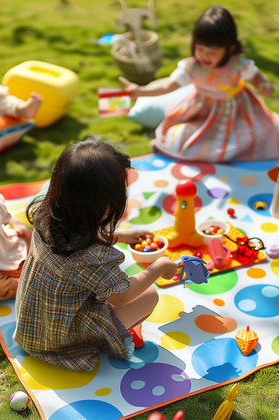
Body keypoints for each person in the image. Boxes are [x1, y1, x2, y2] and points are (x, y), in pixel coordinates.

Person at [13, 135, 178, 372]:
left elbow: (81, 233)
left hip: (32, 324)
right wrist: (160, 267)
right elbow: (120, 297)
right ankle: (102, 340)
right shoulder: (92, 259)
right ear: (103, 203)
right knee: (149, 295)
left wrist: (117, 236)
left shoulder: (46, 213)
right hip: (59, 341)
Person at [119, 5, 279, 162]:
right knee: (179, 138)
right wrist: (140, 90)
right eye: (200, 49)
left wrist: (264, 84)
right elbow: (168, 85)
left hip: (237, 111)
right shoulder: (193, 67)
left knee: (259, 136)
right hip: (200, 112)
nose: (205, 56)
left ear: (229, 48)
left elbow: (257, 77)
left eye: (213, 52)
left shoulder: (238, 65)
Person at [0, 143, 32, 302]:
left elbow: (6, 217)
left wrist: (16, 224)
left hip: (9, 248)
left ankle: (41, 267)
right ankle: (28, 283)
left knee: (35, 237)